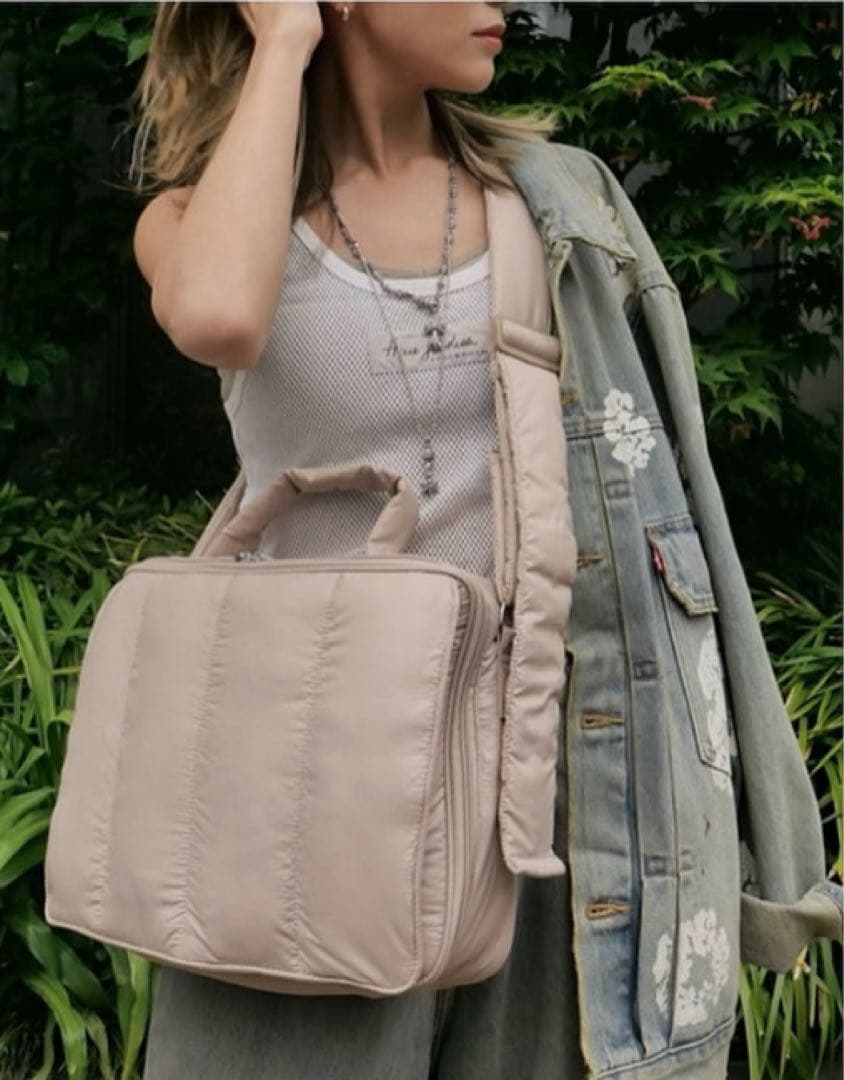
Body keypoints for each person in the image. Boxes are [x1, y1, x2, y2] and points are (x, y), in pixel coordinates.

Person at [129, 3, 840, 1077]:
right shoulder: (198, 218)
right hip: (307, 796)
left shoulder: (559, 203)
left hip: (549, 787)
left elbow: (676, 500)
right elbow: (219, 318)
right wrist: (284, 40)